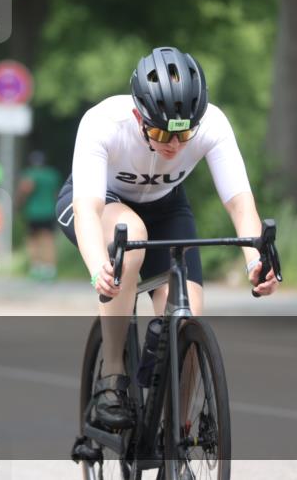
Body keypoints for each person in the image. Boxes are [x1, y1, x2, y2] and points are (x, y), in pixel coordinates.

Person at [55, 46, 278, 436]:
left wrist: (254, 261)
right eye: (160, 133)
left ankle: (176, 428)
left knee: (187, 317)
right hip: (101, 204)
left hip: (168, 209)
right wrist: (97, 269)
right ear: (139, 116)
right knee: (132, 239)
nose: (173, 145)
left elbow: (242, 206)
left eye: (183, 133)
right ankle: (112, 374)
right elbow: (87, 210)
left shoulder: (212, 124)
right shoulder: (103, 122)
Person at [18, 150, 62, 281]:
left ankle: (36, 268)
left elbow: (26, 189)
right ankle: (50, 269)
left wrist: (19, 203)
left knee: (33, 241)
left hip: (33, 212)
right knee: (49, 241)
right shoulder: (52, 174)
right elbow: (56, 193)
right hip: (49, 211)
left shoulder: (30, 174)